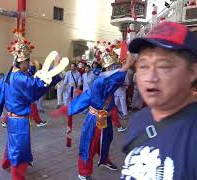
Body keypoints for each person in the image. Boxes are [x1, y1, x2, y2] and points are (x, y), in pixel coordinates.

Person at [0, 29, 65, 180]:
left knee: (13, 142)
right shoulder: (20, 78)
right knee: (20, 148)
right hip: (19, 120)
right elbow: (37, 85)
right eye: (28, 62)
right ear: (22, 61)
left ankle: (5, 162)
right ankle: (17, 176)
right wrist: (56, 70)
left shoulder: (10, 74)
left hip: (13, 119)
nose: (29, 64)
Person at [121, 21, 197, 180]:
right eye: (143, 66)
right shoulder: (138, 120)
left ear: (192, 71)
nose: (150, 77)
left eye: (163, 66)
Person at [68, 51, 135, 180]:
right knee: (89, 144)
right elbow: (113, 82)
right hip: (94, 118)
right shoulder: (102, 80)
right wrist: (126, 66)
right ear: (109, 67)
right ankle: (83, 172)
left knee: (106, 139)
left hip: (105, 116)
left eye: (117, 65)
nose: (117, 67)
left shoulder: (106, 76)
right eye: (115, 65)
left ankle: (104, 159)